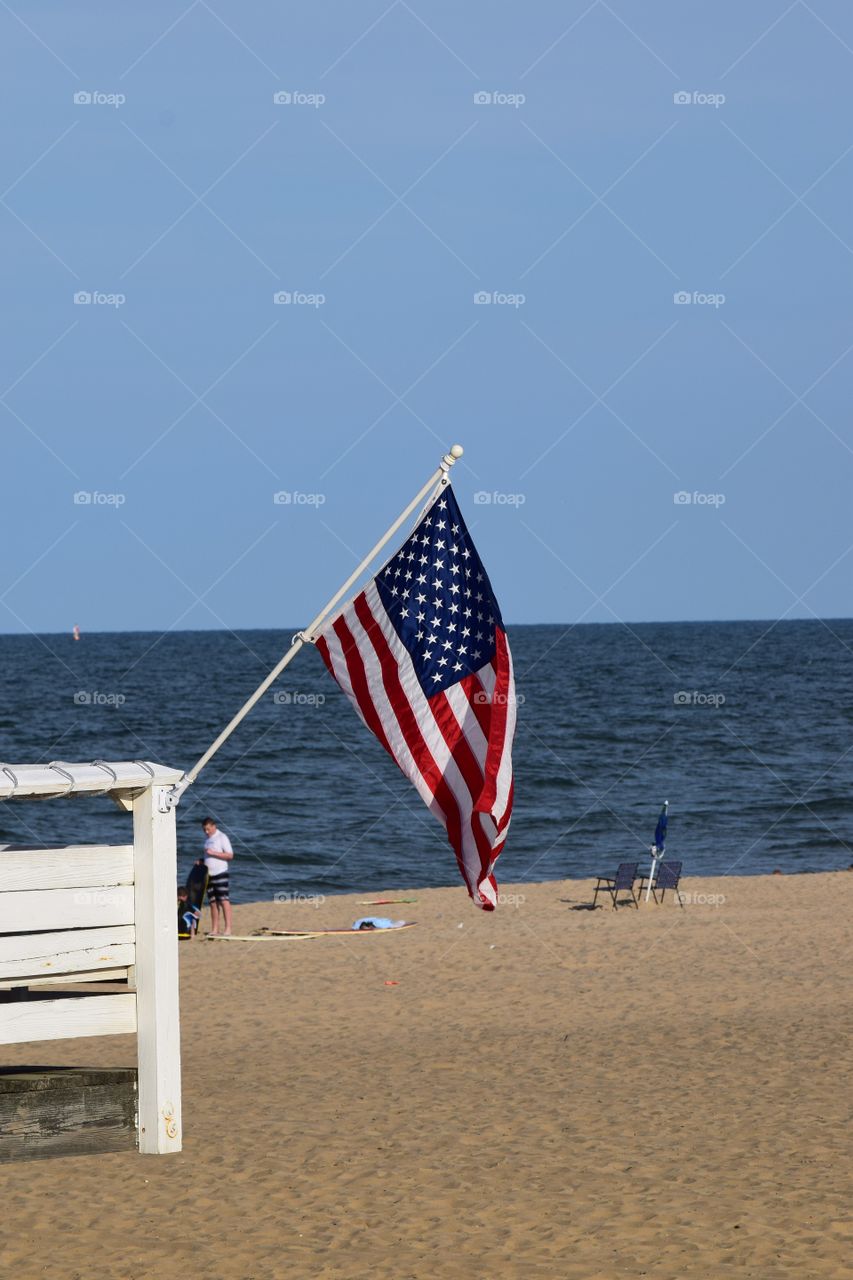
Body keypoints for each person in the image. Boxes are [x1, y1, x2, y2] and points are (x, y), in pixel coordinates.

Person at [201, 816, 234, 937]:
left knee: (224, 900)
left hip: (220, 872)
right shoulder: (207, 839)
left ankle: (228, 929)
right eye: (204, 829)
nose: (206, 832)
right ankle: (215, 929)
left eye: (208, 829)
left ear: (214, 826)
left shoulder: (221, 837)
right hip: (209, 874)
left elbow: (230, 855)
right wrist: (201, 861)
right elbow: (208, 856)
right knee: (213, 902)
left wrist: (213, 853)